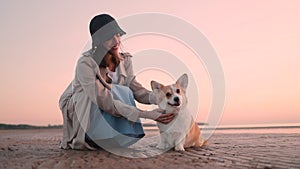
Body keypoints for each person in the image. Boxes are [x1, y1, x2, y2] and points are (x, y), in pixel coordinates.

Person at [58, 14, 175, 150]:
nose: (116, 40)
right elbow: (103, 100)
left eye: (118, 35)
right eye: (109, 37)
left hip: (105, 105)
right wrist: (147, 114)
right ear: (99, 40)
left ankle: (112, 136)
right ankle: (92, 137)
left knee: (125, 90)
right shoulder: (85, 63)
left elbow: (137, 90)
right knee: (114, 91)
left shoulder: (125, 61)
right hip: (83, 106)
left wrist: (164, 98)